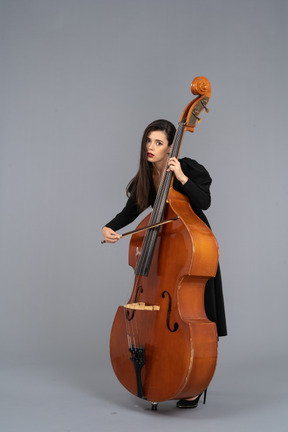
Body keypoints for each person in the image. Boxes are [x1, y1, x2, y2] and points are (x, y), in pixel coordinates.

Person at [102, 119, 227, 408]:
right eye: (148, 141)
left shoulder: (189, 167)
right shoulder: (147, 177)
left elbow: (204, 201)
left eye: (158, 142)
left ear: (171, 146)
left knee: (197, 312)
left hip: (190, 247)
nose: (151, 147)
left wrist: (182, 177)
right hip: (163, 250)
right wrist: (109, 228)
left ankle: (194, 382)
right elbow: (130, 211)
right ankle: (166, 375)